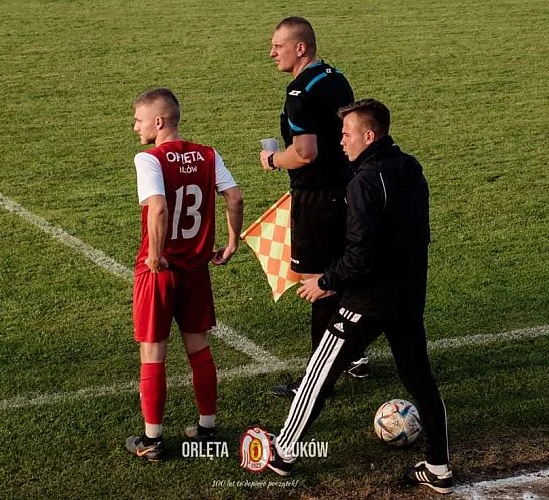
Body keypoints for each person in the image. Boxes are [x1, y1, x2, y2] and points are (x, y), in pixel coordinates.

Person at [266, 99, 452, 495]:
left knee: (317, 375)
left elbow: (361, 254)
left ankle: (282, 453)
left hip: (368, 299)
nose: (341, 141)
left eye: (347, 134)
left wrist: (325, 281)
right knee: (420, 381)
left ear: (369, 135)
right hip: (408, 296)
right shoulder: (411, 168)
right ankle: (439, 467)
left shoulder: (364, 183)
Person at [125, 88, 244, 461]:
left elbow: (158, 208)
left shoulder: (149, 159)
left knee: (153, 351)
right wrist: (232, 242)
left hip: (160, 271)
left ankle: (152, 440)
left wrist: (155, 254)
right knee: (199, 348)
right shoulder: (208, 154)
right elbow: (235, 197)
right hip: (196, 269)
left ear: (158, 122)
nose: (135, 127)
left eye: (139, 120)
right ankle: (207, 428)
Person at [259, 16, 369, 398]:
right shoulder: (336, 78)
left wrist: (273, 160)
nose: (272, 53)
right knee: (341, 274)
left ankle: (318, 379)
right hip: (347, 189)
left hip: (316, 198)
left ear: (300, 48)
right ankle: (354, 355)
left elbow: (305, 152)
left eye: (278, 46)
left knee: (319, 284)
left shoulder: (299, 91)